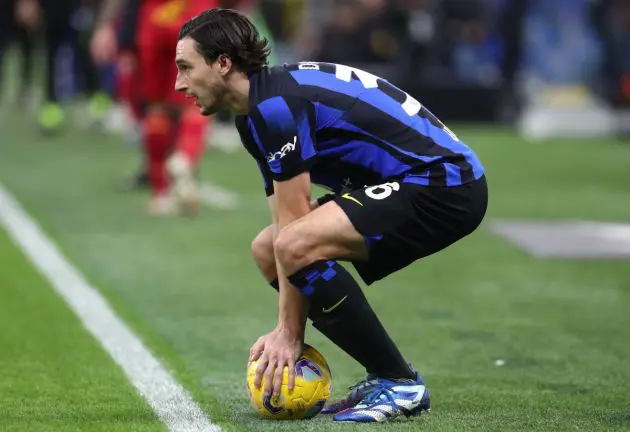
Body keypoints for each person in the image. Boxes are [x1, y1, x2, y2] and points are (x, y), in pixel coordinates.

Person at [175, 8, 488, 423]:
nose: (179, 84)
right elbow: (286, 224)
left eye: (185, 67)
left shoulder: (275, 108)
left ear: (223, 63)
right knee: (269, 248)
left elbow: (296, 230)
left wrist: (289, 334)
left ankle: (400, 383)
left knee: (292, 244)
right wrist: (288, 330)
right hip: (420, 180)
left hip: (446, 184)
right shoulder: (255, 112)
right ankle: (386, 376)